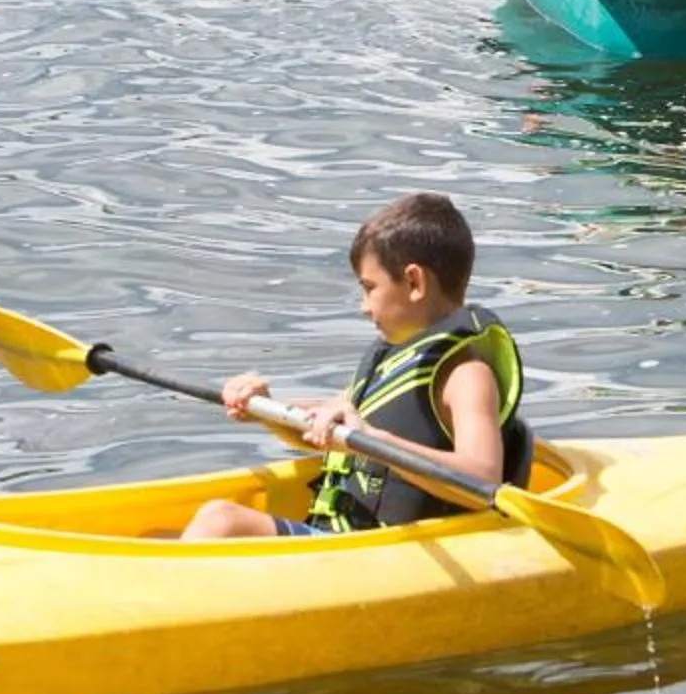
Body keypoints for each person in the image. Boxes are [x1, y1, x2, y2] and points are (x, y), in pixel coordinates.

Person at [182, 192, 533, 540]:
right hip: (342, 543)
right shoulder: (393, 361)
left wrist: (371, 439)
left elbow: (483, 479)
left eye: (369, 288)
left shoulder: (466, 375)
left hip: (388, 556)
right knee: (169, 532)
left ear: (414, 282)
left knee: (220, 522)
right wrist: (265, 407)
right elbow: (327, 422)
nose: (364, 307)